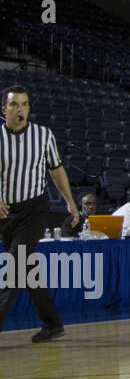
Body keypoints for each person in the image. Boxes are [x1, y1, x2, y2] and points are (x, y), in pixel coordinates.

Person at [0, 85, 77, 342]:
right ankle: (53, 324)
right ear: (4, 109)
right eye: (14, 104)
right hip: (7, 214)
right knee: (27, 268)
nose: (20, 108)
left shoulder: (43, 135)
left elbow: (56, 170)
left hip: (35, 209)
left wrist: (70, 202)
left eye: (24, 104)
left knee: (14, 266)